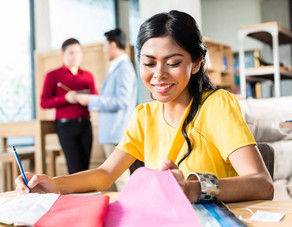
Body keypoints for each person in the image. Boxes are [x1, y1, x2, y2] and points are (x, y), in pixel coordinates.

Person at [17, 11, 273, 203]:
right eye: (149, 63)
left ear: (196, 64)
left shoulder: (216, 105)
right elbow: (106, 173)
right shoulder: (144, 115)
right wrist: (52, 183)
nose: (158, 75)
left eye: (172, 62)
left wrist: (193, 188)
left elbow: (262, 185)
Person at [76, 28, 139, 191]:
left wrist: (91, 100)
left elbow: (122, 101)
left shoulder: (123, 68)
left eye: (105, 46)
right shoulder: (119, 67)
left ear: (113, 45)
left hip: (115, 131)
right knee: (118, 179)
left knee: (121, 180)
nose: (104, 50)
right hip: (113, 132)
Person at [40, 38, 98, 174]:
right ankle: (76, 196)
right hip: (65, 127)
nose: (75, 56)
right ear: (63, 54)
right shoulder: (52, 76)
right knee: (75, 168)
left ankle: (86, 196)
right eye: (71, 53)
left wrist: (87, 99)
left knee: (85, 168)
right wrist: (65, 98)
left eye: (78, 52)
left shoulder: (88, 76)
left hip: (85, 126)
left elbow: (96, 99)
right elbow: (44, 102)